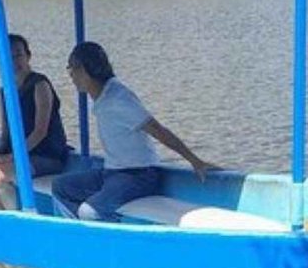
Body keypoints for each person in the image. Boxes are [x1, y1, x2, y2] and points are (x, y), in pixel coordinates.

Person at [50, 41, 218, 221]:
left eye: (71, 70)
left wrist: (195, 161)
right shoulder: (102, 96)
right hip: (113, 172)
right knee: (61, 186)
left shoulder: (119, 99)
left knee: (90, 211)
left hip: (139, 175)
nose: (71, 77)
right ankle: (84, 235)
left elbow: (157, 130)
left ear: (83, 70)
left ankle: (108, 241)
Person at [0, 34, 70, 209]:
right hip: (18, 155)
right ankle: (4, 219)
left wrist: (13, 156)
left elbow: (40, 131)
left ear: (28, 56)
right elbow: (7, 131)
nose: (15, 61)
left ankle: (17, 219)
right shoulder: (6, 89)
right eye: (10, 56)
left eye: (19, 55)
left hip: (46, 156)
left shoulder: (40, 85)